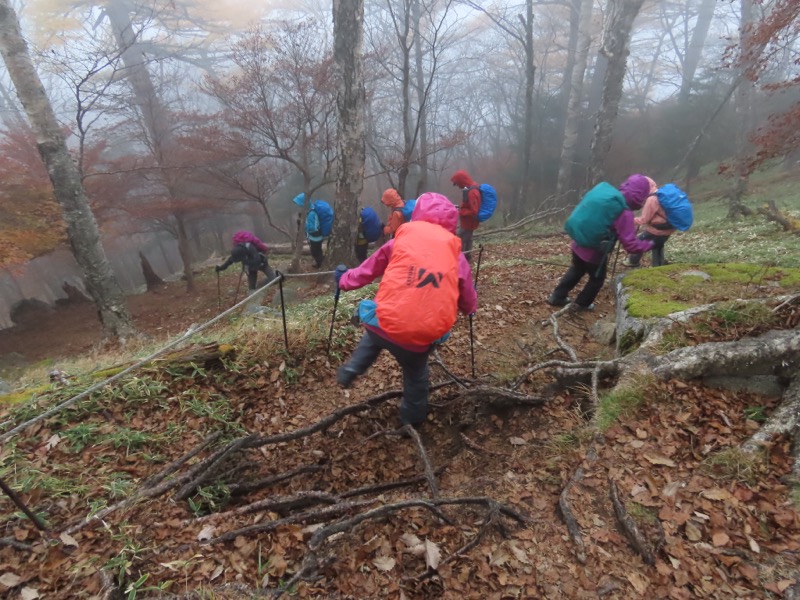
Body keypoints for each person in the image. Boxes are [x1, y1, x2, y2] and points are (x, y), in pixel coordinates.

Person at [334, 192, 478, 429]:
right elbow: (466, 290)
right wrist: (470, 309)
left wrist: (343, 280)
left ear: (418, 214)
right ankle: (410, 421)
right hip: (420, 337)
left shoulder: (400, 239)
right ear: (451, 224)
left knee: (374, 333)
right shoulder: (455, 252)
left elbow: (367, 271)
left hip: (386, 323)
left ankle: (353, 367)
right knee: (416, 377)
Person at [547, 175, 654, 311]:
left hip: (578, 242)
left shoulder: (610, 197)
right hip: (593, 252)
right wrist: (649, 245)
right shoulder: (624, 212)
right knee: (597, 279)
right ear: (640, 195)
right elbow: (630, 245)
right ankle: (582, 304)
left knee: (577, 269)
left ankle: (557, 296)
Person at [624, 177, 673, 267]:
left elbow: (644, 220)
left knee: (639, 241)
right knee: (658, 244)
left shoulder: (651, 200)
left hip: (657, 229)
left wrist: (630, 220)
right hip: (669, 227)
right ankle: (658, 265)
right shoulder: (661, 194)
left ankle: (633, 262)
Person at [293, 193, 333, 268]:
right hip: (315, 236)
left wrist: (303, 225)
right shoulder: (310, 210)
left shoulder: (311, 213)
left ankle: (320, 265)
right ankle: (320, 263)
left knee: (315, 252)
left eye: (300, 204)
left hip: (316, 237)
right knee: (317, 251)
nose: (299, 206)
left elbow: (313, 228)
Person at [450, 170, 480, 261]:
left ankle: (463, 262)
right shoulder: (469, 189)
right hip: (466, 223)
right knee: (463, 242)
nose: (458, 186)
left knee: (462, 242)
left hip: (468, 224)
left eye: (458, 184)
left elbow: (474, 211)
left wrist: (461, 211)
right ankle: (464, 260)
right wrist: (460, 208)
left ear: (461, 181)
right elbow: (468, 205)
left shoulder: (472, 192)